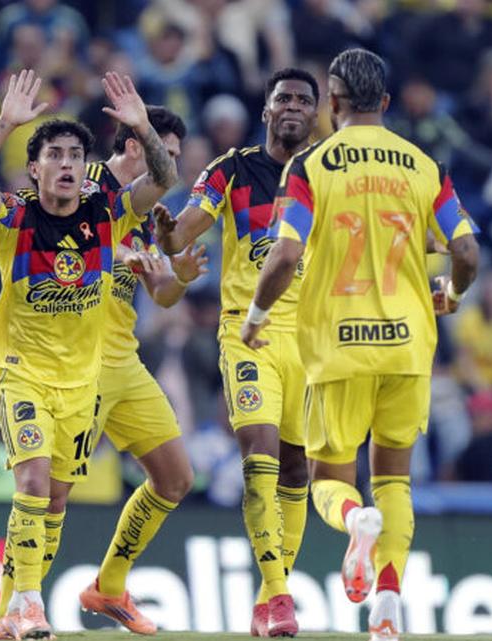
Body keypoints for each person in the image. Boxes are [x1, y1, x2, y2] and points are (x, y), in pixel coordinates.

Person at [241, 49, 480, 641]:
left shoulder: (311, 165)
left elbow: (287, 253)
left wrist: (256, 313)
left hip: (338, 345)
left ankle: (355, 521)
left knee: (328, 479)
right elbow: (467, 251)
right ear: (388, 104)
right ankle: (388, 608)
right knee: (395, 477)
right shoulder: (425, 166)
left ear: (334, 102)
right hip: (407, 345)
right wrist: (450, 291)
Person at [0, 69, 177, 640]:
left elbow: (165, 177)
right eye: (54, 154)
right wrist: (5, 122)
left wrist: (144, 128)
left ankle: (6, 617)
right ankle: (29, 605)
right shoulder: (14, 219)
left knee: (52, 501)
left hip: (83, 385)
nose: (67, 163)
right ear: (36, 168)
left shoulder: (107, 214)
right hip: (23, 375)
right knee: (31, 482)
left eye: (76, 154)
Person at [0, 106, 203, 635]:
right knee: (47, 493)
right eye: (164, 152)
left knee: (175, 479)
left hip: (122, 360)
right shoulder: (85, 188)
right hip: (75, 361)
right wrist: (118, 255)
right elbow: (55, 255)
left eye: (172, 155)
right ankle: (7, 612)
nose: (167, 163)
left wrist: (179, 274)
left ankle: (109, 587)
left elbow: (163, 295)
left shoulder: (143, 210)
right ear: (134, 146)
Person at [156, 67, 320, 637]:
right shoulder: (231, 168)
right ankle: (278, 596)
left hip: (313, 339)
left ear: (316, 114)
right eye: (283, 98)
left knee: (298, 467)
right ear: (267, 112)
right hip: (248, 331)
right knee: (259, 455)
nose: (293, 106)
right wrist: (167, 233)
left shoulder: (327, 175)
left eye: (304, 99)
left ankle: (271, 596)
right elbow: (181, 233)